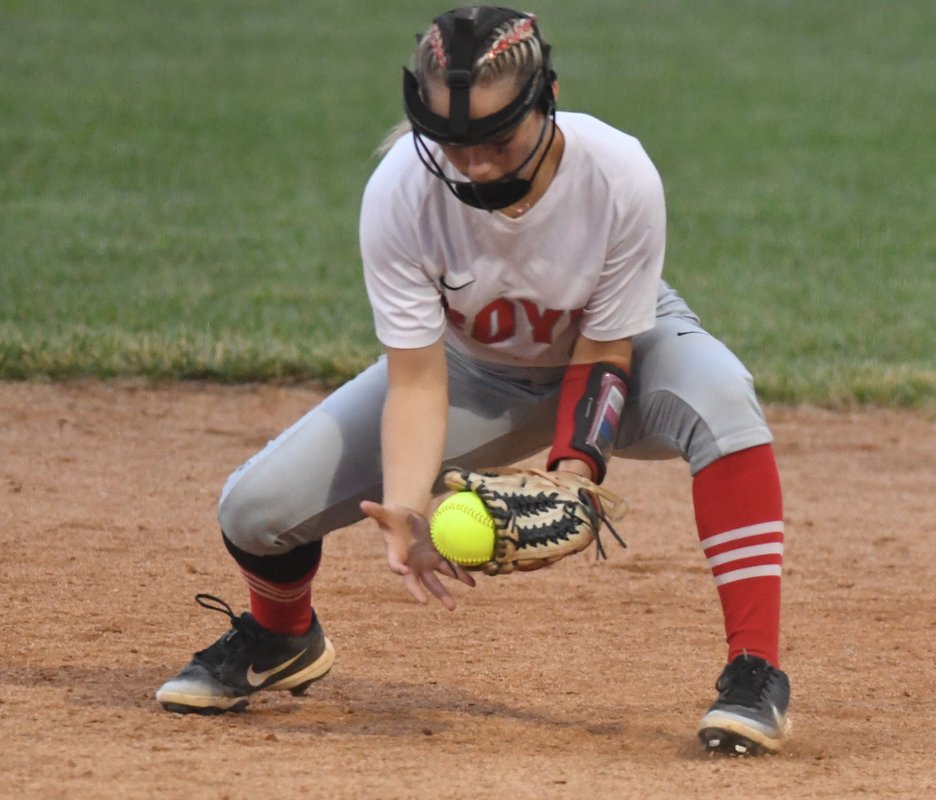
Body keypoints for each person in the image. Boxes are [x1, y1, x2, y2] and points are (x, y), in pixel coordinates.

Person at [156, 5, 790, 756]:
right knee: (254, 508)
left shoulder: (618, 172)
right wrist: (404, 507)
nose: (475, 163)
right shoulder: (400, 192)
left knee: (720, 396)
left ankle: (755, 673)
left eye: (495, 139)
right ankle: (281, 636)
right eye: (451, 143)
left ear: (545, 98)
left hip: (619, 354)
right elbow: (419, 381)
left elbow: (604, 349)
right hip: (473, 378)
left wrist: (573, 475)